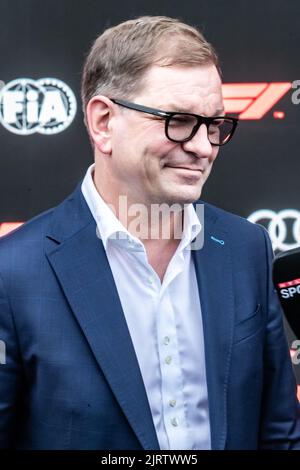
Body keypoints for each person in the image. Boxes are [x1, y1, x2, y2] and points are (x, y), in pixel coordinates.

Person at [0, 15, 299, 451]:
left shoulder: (246, 248)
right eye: (178, 121)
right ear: (103, 122)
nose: (202, 147)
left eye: (214, 125)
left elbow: (277, 435)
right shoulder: (13, 273)